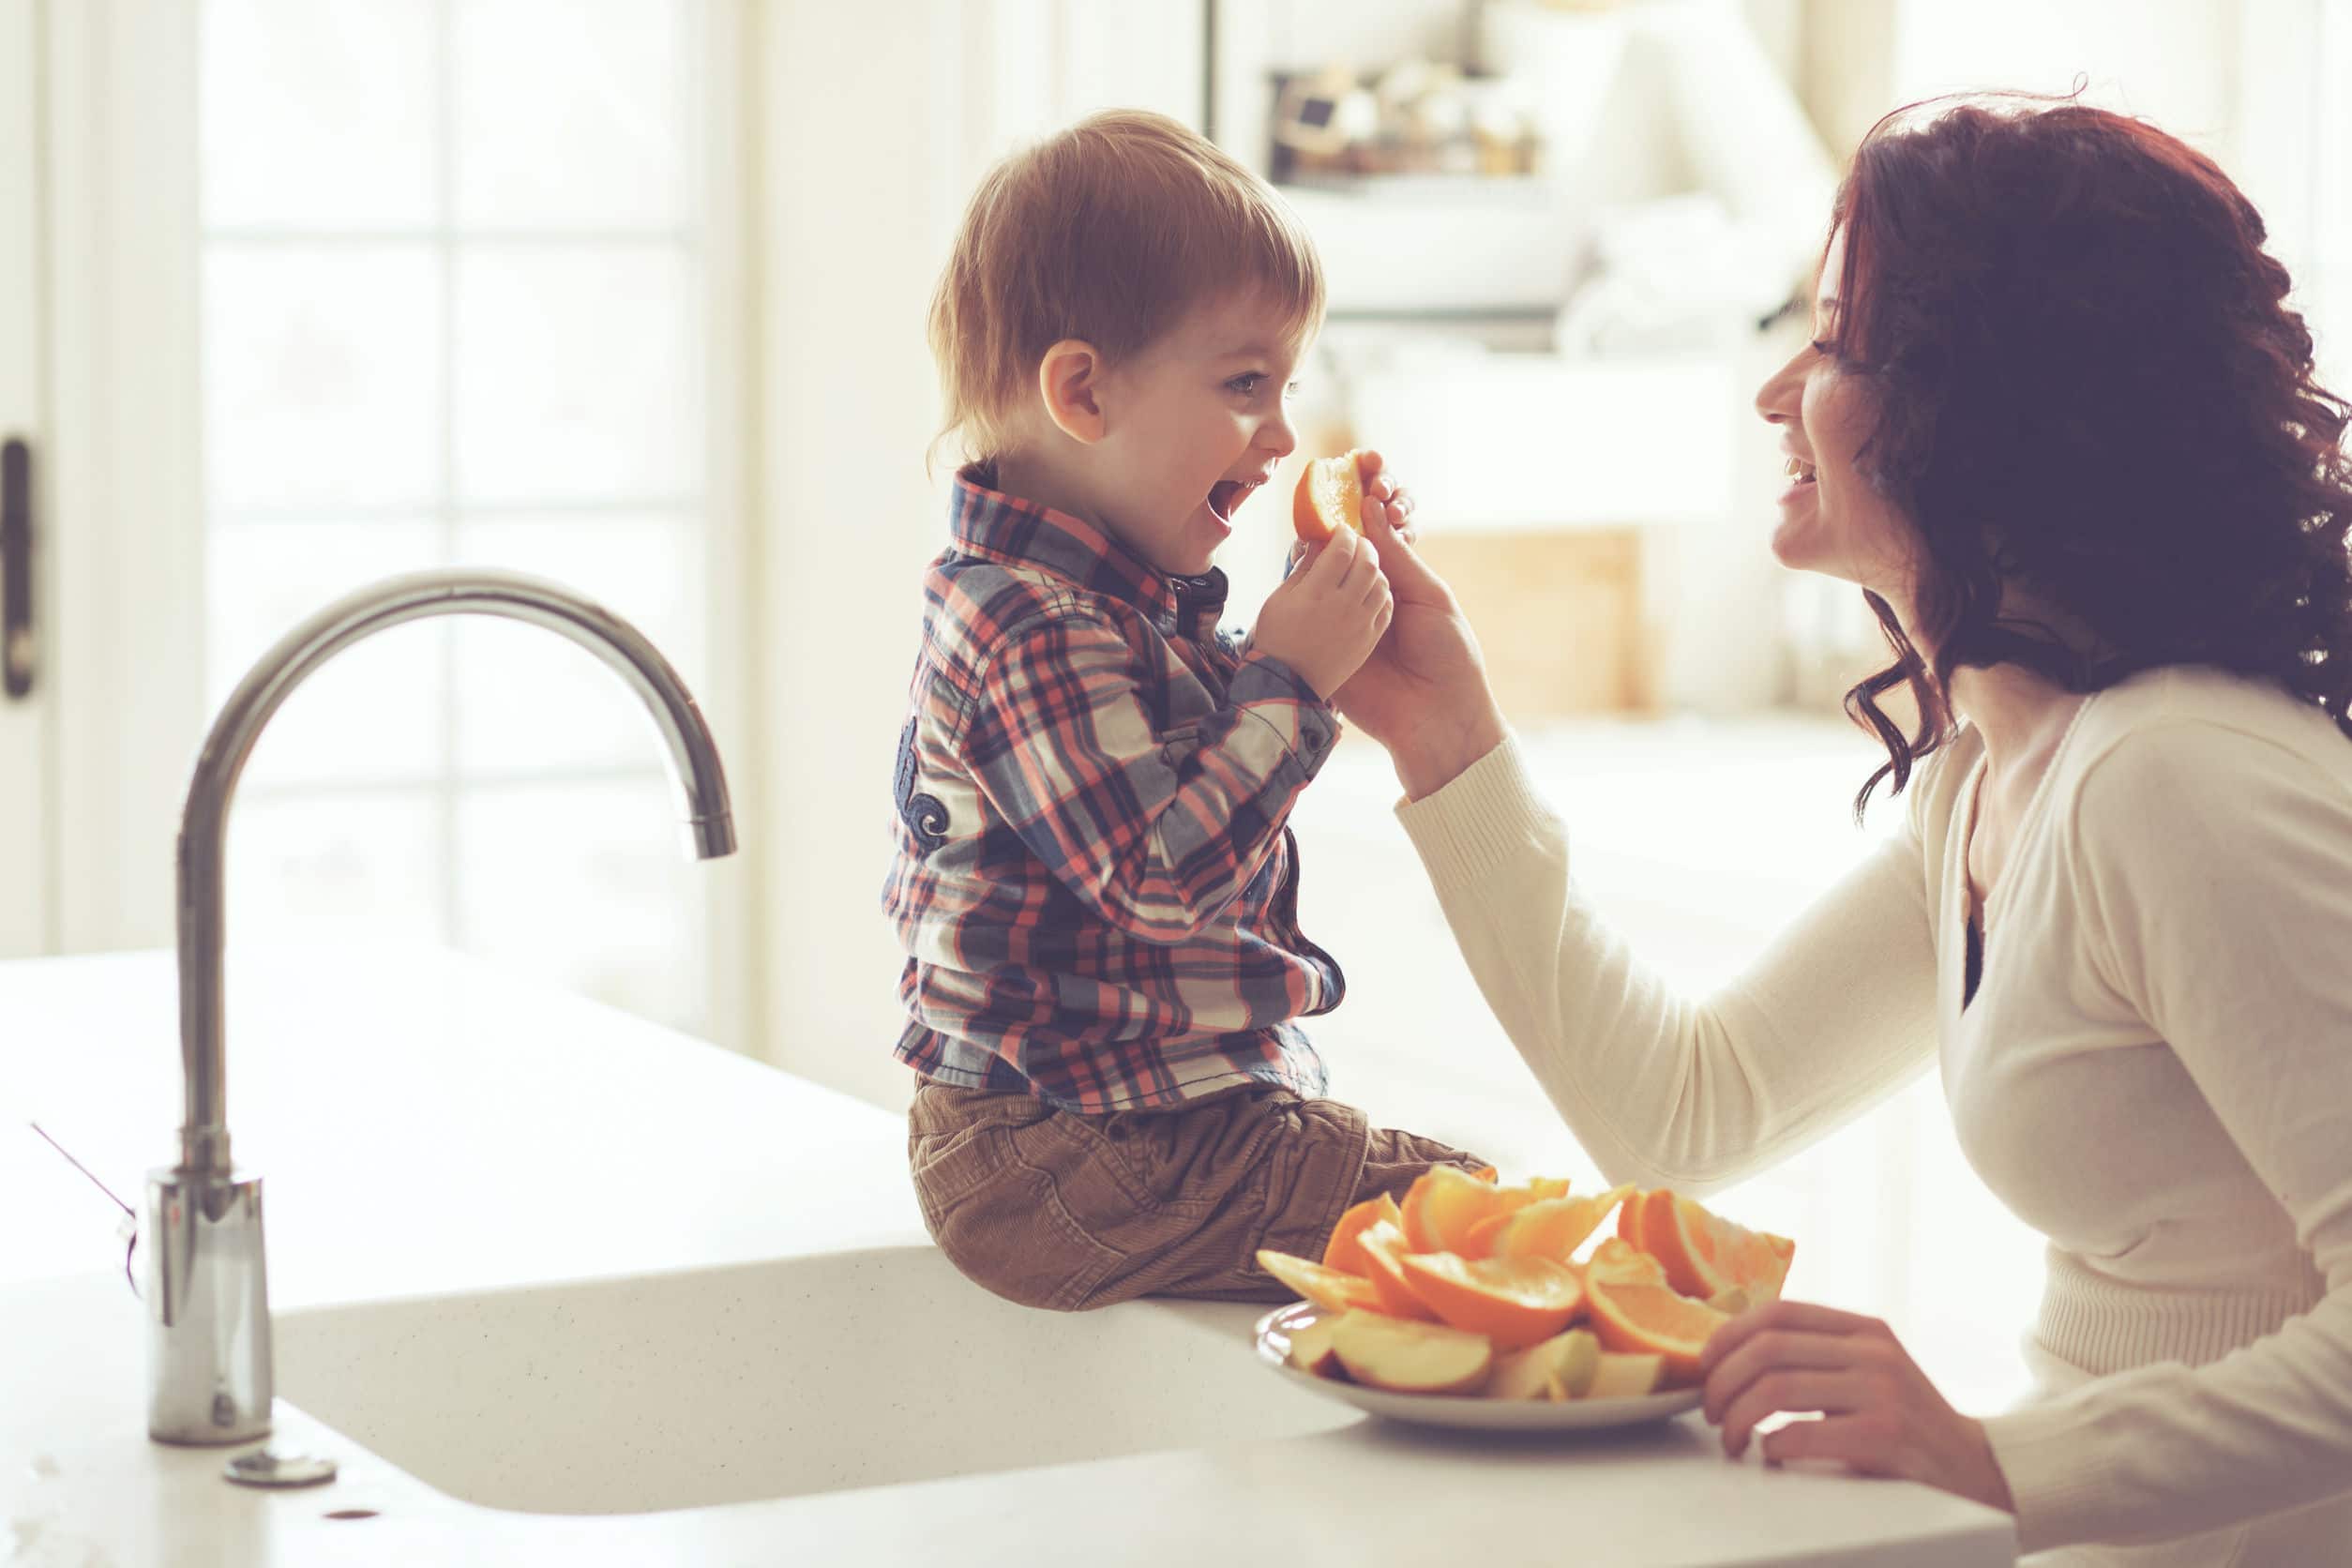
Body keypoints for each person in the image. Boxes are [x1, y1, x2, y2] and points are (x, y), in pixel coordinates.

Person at [1333, 96, 2352, 1565]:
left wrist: (1989, 1458)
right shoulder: (1999, 780)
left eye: (1829, 341)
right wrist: (1444, 739)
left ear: (1983, 400)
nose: (1773, 394)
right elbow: (1685, 1112)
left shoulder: (2176, 775)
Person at [884, 110, 1488, 1314]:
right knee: (1478, 1225)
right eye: (1245, 385)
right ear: (1083, 393)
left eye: (1286, 389)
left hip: (1125, 1131)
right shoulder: (1026, 626)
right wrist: (1291, 677)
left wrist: (1316, 621)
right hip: (1058, 1155)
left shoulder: (1115, 603)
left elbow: (1190, 772)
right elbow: (1160, 875)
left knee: (1467, 1224)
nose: (1279, 437)